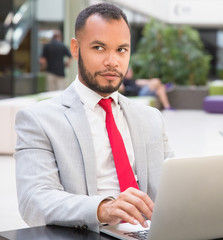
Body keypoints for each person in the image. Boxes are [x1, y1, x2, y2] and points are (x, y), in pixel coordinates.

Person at [15, 3, 174, 233]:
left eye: (121, 49)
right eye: (99, 48)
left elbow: (174, 188)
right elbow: (34, 201)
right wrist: (103, 208)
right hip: (89, 233)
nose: (112, 61)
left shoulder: (151, 118)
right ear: (76, 48)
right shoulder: (39, 120)